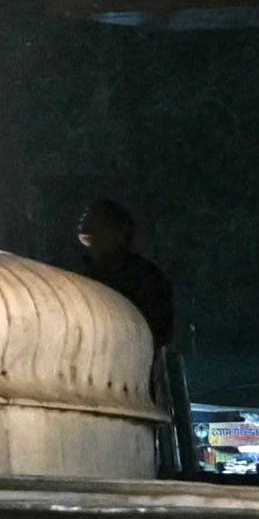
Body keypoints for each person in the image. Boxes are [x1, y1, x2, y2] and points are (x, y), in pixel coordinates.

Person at [68, 198, 189, 475]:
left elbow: (158, 330)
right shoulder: (81, 277)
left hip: (125, 383)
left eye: (97, 219)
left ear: (119, 231)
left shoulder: (142, 277)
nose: (86, 223)